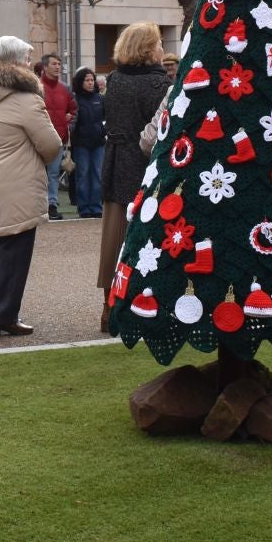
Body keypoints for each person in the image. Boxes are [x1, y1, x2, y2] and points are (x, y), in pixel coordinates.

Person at [0, 35, 61, 336]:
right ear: (12, 63)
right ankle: (3, 316)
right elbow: (51, 145)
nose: (29, 64)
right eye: (25, 59)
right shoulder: (25, 98)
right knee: (15, 254)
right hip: (17, 184)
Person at [97, 23, 169, 324]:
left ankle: (108, 306)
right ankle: (143, 305)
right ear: (148, 48)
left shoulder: (114, 80)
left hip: (115, 162)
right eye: (160, 42)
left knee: (113, 235)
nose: (163, 48)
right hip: (142, 163)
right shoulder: (158, 85)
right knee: (147, 235)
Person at [37, 52, 75, 221]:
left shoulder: (65, 88)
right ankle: (37, 206)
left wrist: (70, 125)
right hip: (37, 137)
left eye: (59, 64)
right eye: (54, 64)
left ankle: (52, 204)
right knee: (37, 174)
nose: (58, 67)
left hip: (58, 138)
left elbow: (74, 110)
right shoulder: (36, 87)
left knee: (53, 173)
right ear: (45, 67)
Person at [69, 67, 106, 218]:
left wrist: (104, 131)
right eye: (87, 80)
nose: (91, 83)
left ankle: (96, 207)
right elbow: (72, 122)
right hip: (81, 144)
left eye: (92, 80)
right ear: (80, 82)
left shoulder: (100, 98)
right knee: (83, 175)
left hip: (98, 143)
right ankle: (83, 207)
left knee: (97, 174)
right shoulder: (75, 99)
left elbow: (107, 117)